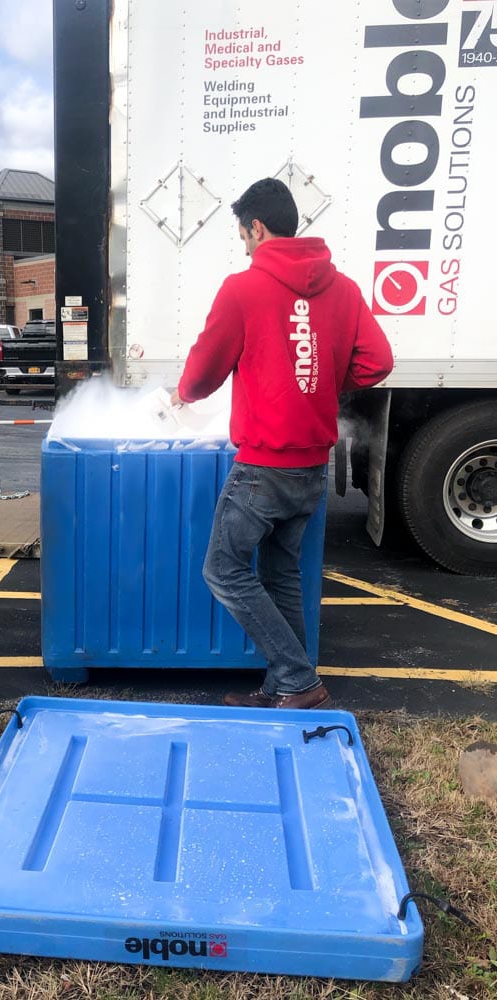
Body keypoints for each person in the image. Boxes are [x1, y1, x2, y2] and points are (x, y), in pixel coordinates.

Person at [171, 178, 393, 709]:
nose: (245, 247)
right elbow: (378, 361)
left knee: (221, 570)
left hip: (263, 469)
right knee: (280, 573)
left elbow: (199, 378)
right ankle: (284, 687)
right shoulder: (342, 289)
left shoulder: (243, 289)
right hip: (312, 466)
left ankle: (296, 677)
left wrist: (183, 393)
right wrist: (325, 381)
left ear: (259, 228)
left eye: (244, 236)